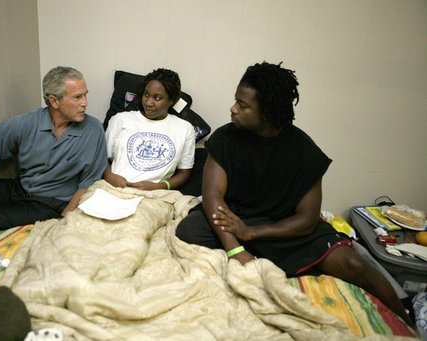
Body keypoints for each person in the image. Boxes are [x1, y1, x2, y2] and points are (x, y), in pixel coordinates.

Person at [176, 62, 413, 326]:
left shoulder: (304, 152)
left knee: (352, 263)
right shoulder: (225, 139)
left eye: (243, 105)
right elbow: (212, 198)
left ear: (266, 112)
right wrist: (236, 251)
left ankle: (406, 319)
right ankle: (269, 257)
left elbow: (307, 220)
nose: (233, 109)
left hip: (279, 228)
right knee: (189, 230)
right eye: (235, 101)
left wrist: (251, 233)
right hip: (233, 219)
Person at [0, 66, 108, 250]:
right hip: (19, 188)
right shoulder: (25, 123)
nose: (85, 103)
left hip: (49, 203)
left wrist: (68, 213)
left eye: (85, 95)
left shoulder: (93, 129)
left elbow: (89, 180)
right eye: (77, 97)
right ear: (54, 101)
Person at [104, 68, 195, 191]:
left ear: (171, 101)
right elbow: (102, 160)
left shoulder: (185, 129)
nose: (148, 102)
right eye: (146, 95)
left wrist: (160, 186)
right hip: (114, 189)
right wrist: (111, 177)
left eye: (157, 98)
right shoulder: (120, 120)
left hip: (155, 195)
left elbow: (184, 172)